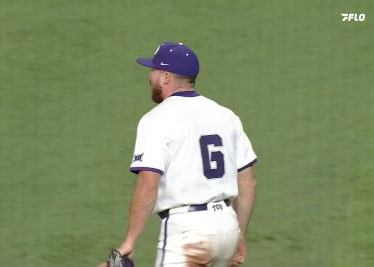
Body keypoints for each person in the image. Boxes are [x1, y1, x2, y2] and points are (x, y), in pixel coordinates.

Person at [99, 42, 258, 267]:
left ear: (165, 77)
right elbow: (247, 180)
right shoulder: (227, 116)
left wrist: (130, 241)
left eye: (153, 71)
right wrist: (239, 233)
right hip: (226, 227)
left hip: (188, 233)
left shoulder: (156, 119)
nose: (149, 77)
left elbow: (148, 183)